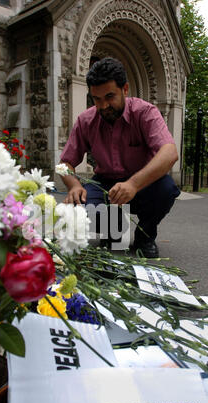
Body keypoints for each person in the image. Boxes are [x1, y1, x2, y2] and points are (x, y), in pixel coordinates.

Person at [59, 57, 180, 258]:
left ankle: (145, 235)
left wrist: (133, 184)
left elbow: (170, 153)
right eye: (96, 99)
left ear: (125, 89)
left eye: (109, 97)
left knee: (166, 189)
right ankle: (113, 229)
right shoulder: (85, 121)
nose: (103, 106)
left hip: (143, 183)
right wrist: (73, 185)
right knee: (83, 207)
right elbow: (63, 164)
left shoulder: (145, 112)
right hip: (104, 184)